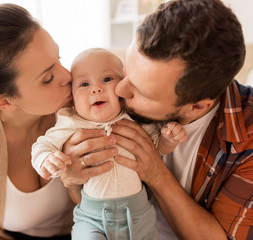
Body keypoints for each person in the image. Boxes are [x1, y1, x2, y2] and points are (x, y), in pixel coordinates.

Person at [59, 0, 253, 240]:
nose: (119, 90)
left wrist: (156, 173)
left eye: (140, 91)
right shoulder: (100, 100)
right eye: (126, 71)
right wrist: (72, 181)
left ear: (197, 106)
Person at [0, 4, 113, 240]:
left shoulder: (91, 111)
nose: (67, 76)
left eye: (59, 58)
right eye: (47, 78)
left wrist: (74, 185)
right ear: (3, 101)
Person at [31, 48, 187, 240]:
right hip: (92, 217)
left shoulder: (135, 120)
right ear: (72, 99)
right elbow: (42, 145)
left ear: (123, 87)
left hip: (138, 214)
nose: (96, 89)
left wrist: (168, 139)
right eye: (84, 84)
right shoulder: (70, 123)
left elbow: (157, 149)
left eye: (106, 79)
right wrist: (46, 158)